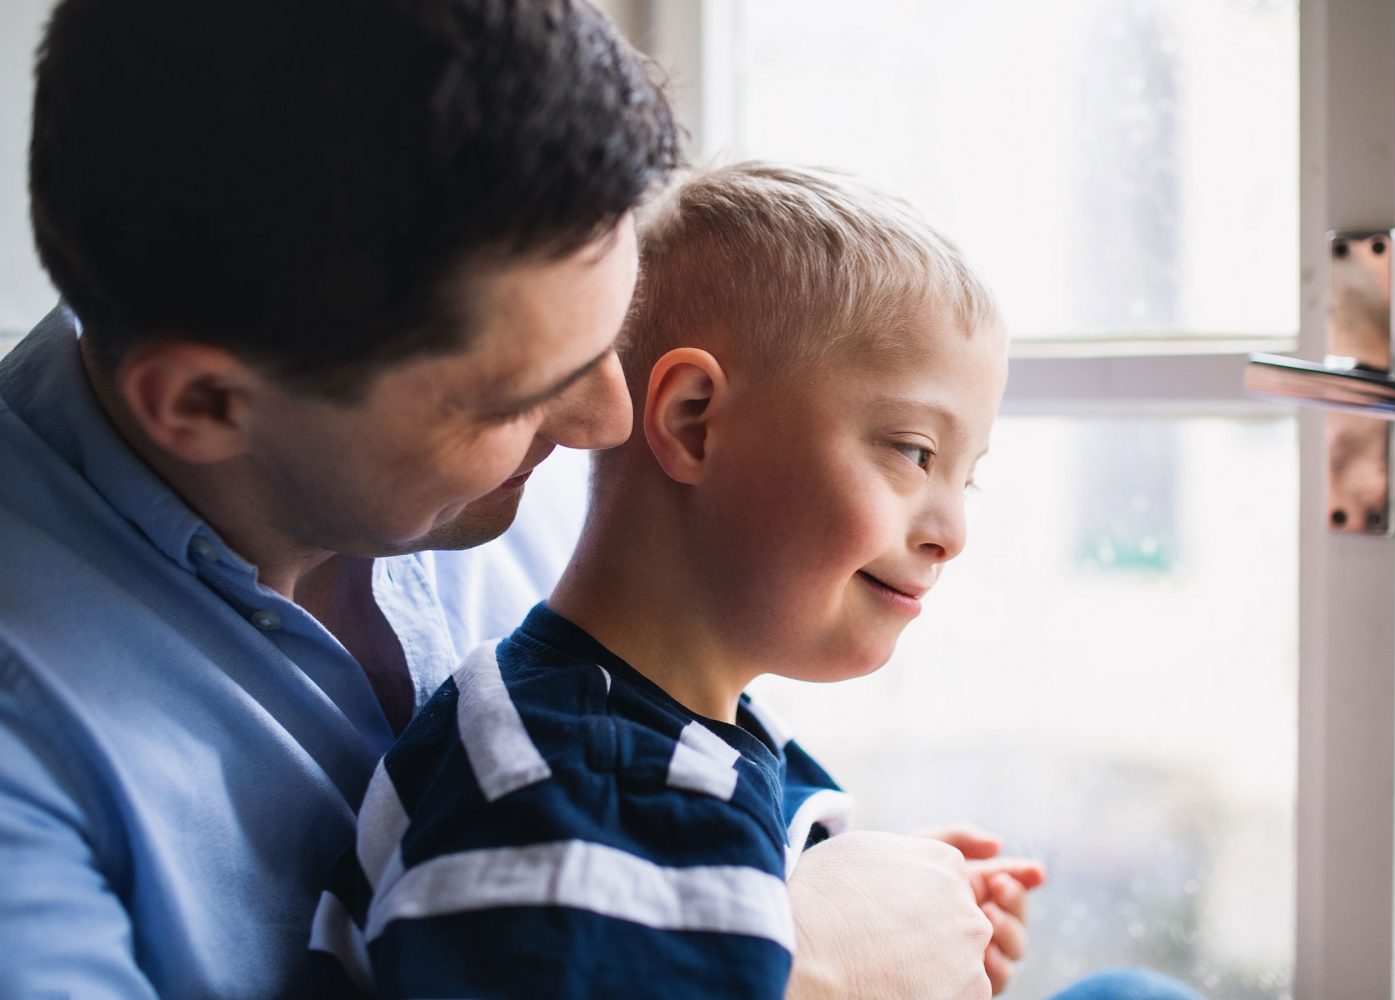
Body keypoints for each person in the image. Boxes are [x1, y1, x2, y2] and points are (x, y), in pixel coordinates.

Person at [0, 1, 1052, 997]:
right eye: (516, 392)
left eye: (610, 333)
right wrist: (793, 958)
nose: (608, 424)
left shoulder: (589, 512)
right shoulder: (27, 750)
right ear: (204, 401)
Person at [307, 162, 1032, 997]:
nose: (953, 534)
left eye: (964, 477)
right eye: (914, 453)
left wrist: (898, 922)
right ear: (693, 422)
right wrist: (840, 965)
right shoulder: (567, 793)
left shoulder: (672, 733)